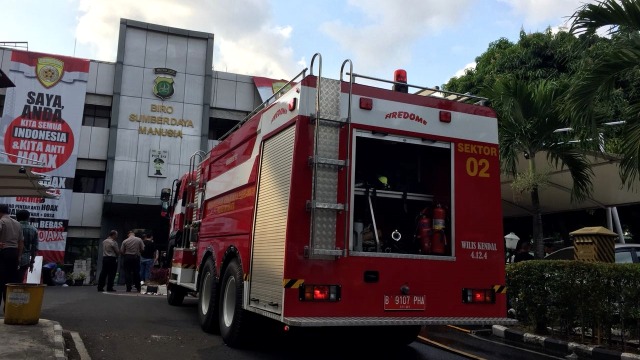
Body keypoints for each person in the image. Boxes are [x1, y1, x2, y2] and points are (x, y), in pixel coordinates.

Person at [0, 203, 24, 308]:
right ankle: (8, 307)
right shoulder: (17, 223)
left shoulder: (1, 222)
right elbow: (21, 242)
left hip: (3, 253)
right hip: (14, 253)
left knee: (0, 280)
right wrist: (19, 257)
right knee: (10, 282)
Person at [16, 210, 39, 283]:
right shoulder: (34, 230)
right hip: (25, 259)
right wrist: (32, 262)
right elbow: (35, 248)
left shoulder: (13, 227)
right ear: (28, 218)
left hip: (12, 256)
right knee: (20, 279)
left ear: (17, 218)